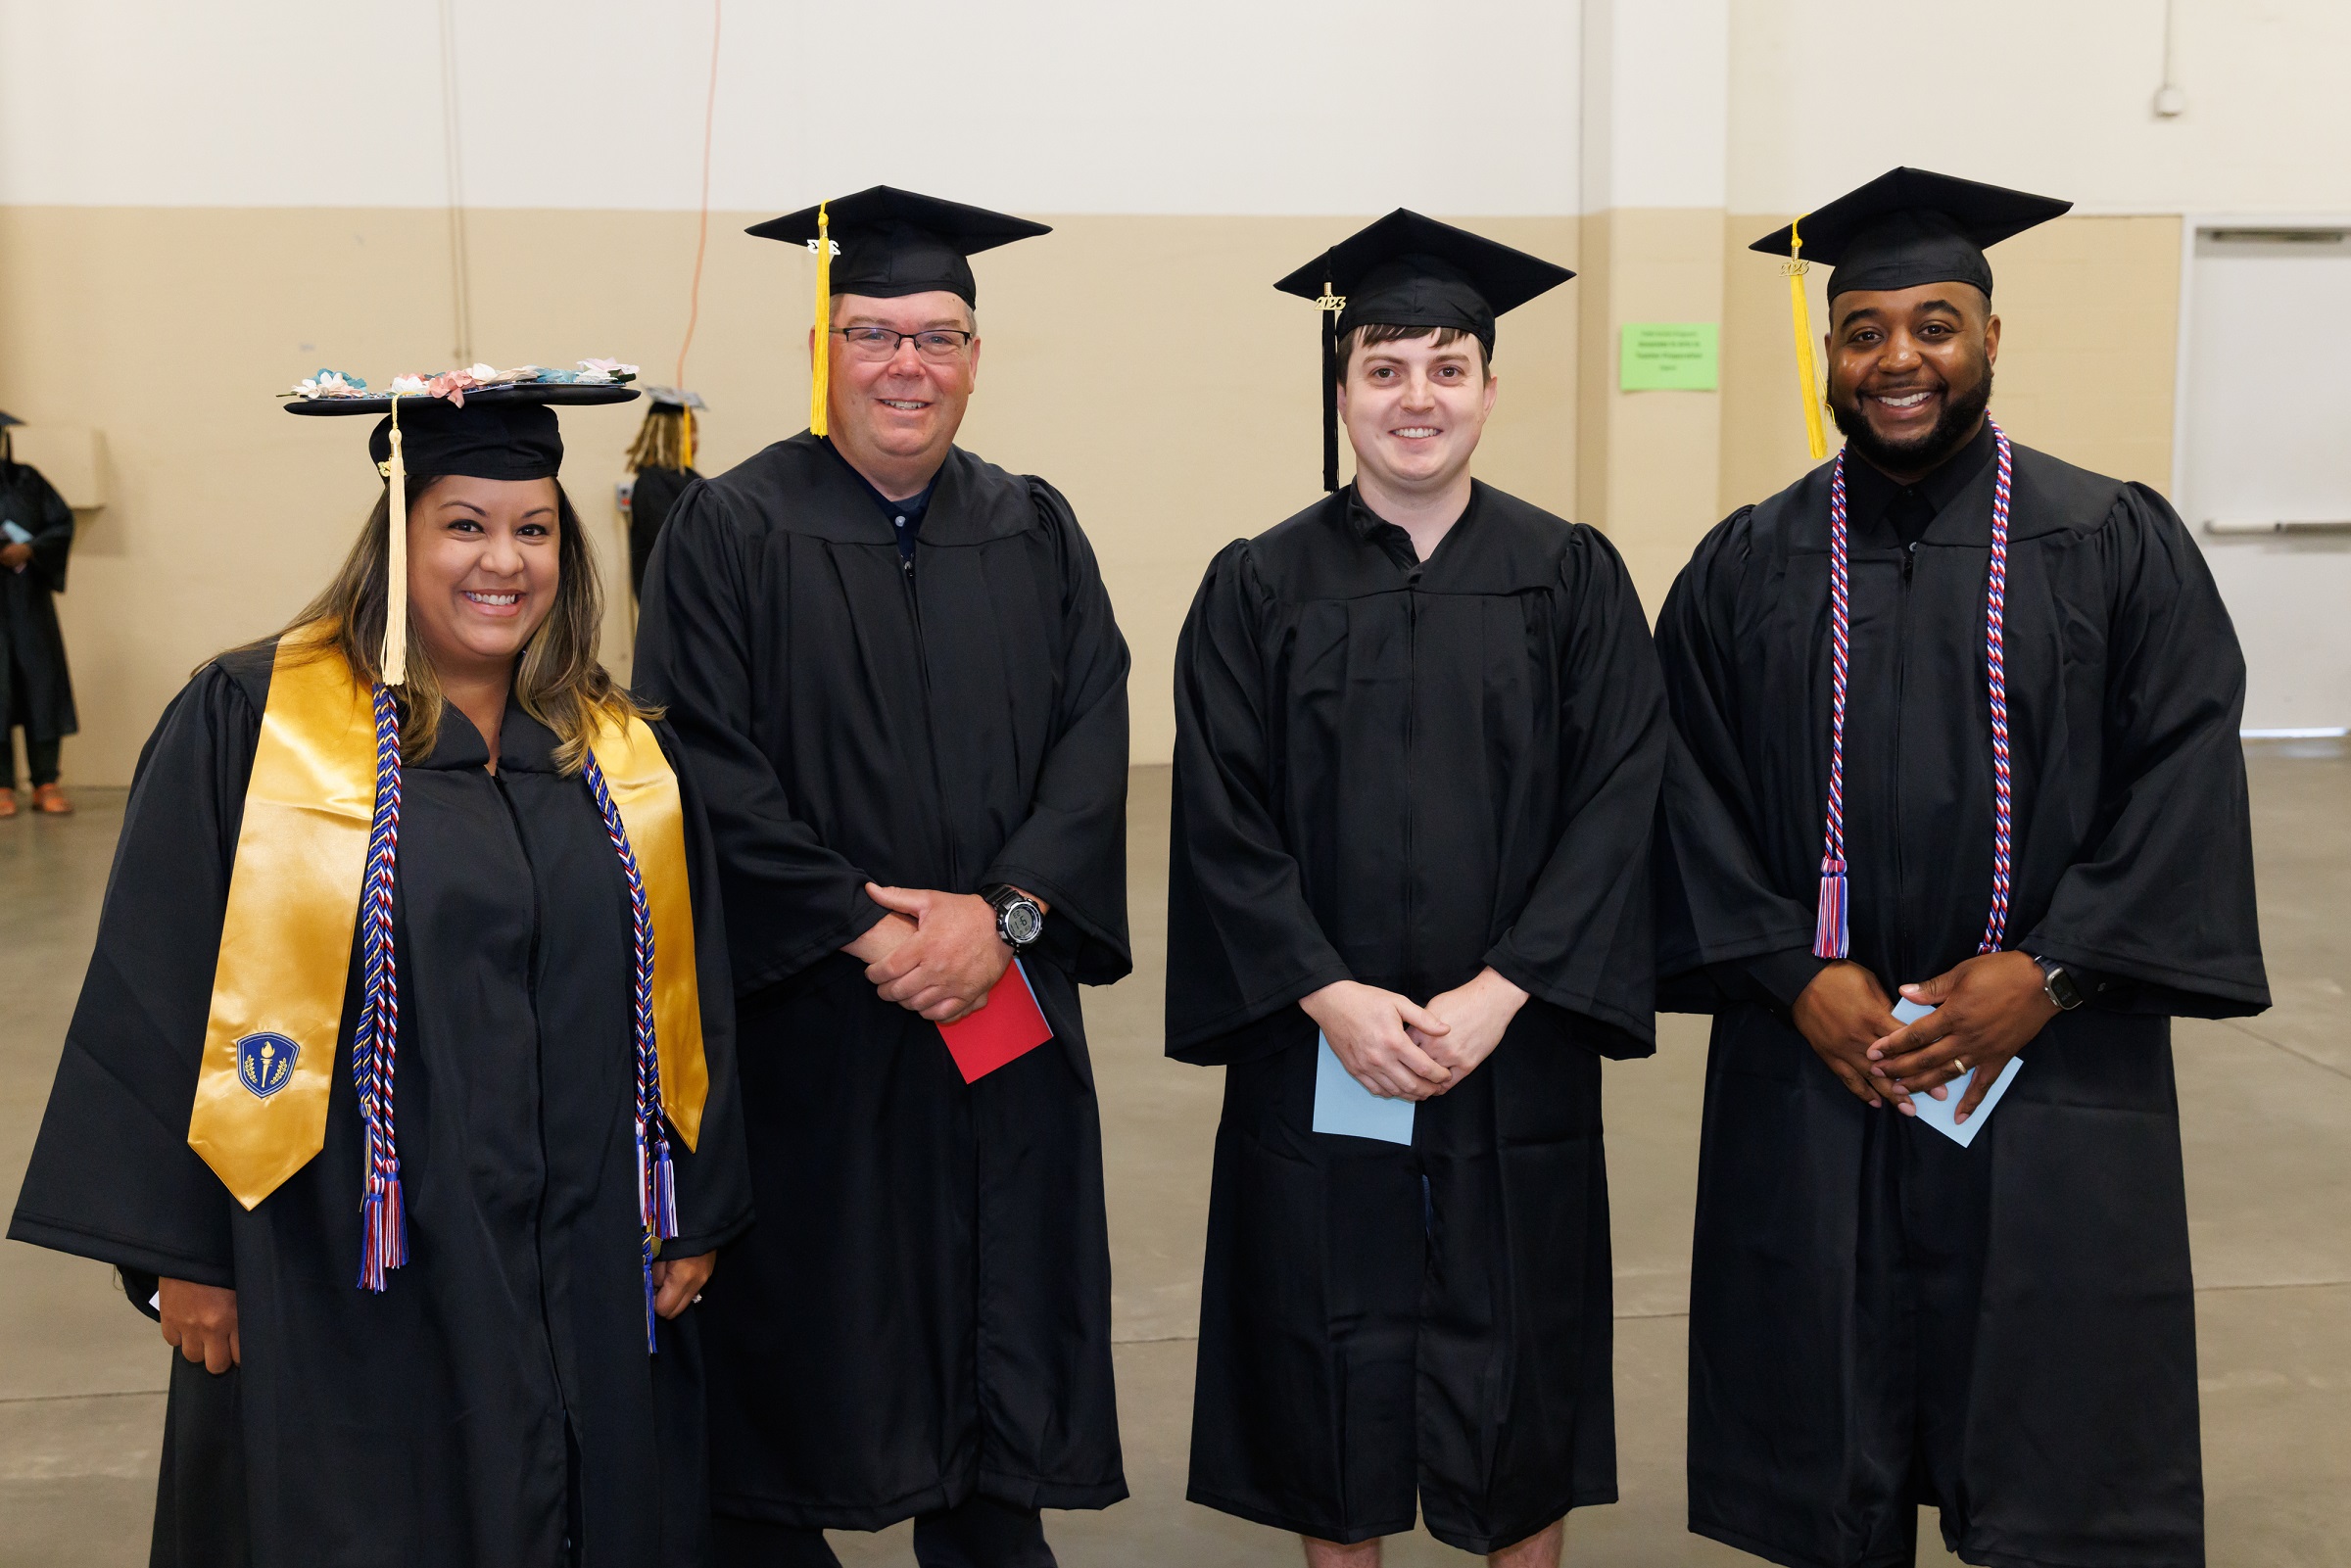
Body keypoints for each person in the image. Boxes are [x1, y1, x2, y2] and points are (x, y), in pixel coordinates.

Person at [8, 367, 752, 1567]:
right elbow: (158, 979)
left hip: (579, 1241)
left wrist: (692, 1202)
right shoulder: (255, 722)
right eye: (463, 524)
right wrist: (180, 1255)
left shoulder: (619, 750)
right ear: (396, 537)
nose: (501, 561)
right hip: (345, 1248)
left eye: (533, 529)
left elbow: (685, 988)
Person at [1654, 167, 2271, 1568]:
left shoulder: (2113, 539)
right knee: (1825, 1394)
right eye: (1863, 330)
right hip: (1824, 1048)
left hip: (2050, 1054)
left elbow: (2185, 765)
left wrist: (2051, 972)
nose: (1897, 361)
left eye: (1934, 324)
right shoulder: (1747, 561)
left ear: (1994, 338)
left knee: (2049, 1405)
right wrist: (1788, 971)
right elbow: (1677, 786)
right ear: (1831, 356)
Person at [631, 186, 1132, 1568]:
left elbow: (1097, 741)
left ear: (976, 354)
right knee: (805, 1340)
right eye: (873, 332)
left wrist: (1005, 919)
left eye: (940, 333)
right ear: (824, 345)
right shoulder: (728, 533)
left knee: (993, 1328)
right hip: (811, 1027)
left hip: (1001, 1017)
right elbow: (696, 767)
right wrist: (865, 928)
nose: (906, 363)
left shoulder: (1035, 528)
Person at [1166, 211, 1669, 1567]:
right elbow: (1222, 814)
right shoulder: (1259, 584)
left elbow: (1621, 795)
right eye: (1384, 368)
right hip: (1324, 1035)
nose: (1417, 398)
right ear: (1340, 390)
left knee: (1524, 1342)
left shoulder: (1568, 574)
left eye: (1449, 367)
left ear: (1493, 391)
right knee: (1331, 1340)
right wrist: (1331, 994)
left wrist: (1509, 989)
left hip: (1518, 1036)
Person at [0, 410, 78, 815]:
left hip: (28, 602)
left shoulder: (28, 480)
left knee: (41, 686)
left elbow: (61, 524)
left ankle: (46, 782)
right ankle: (1, 787)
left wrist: (29, 550)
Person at [625, 388, 706, 600]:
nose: (696, 439)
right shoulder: (651, 484)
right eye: (690, 431)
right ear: (672, 434)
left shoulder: (690, 479)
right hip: (668, 597)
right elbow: (674, 541)